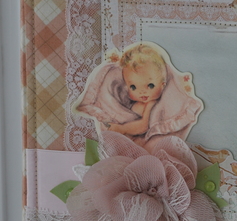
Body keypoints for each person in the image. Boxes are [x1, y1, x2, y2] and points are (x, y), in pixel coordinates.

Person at [73, 41, 203, 152]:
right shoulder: (133, 102)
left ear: (163, 85)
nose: (142, 92)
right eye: (133, 87)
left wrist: (122, 128)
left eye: (150, 85)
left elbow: (143, 126)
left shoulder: (150, 104)